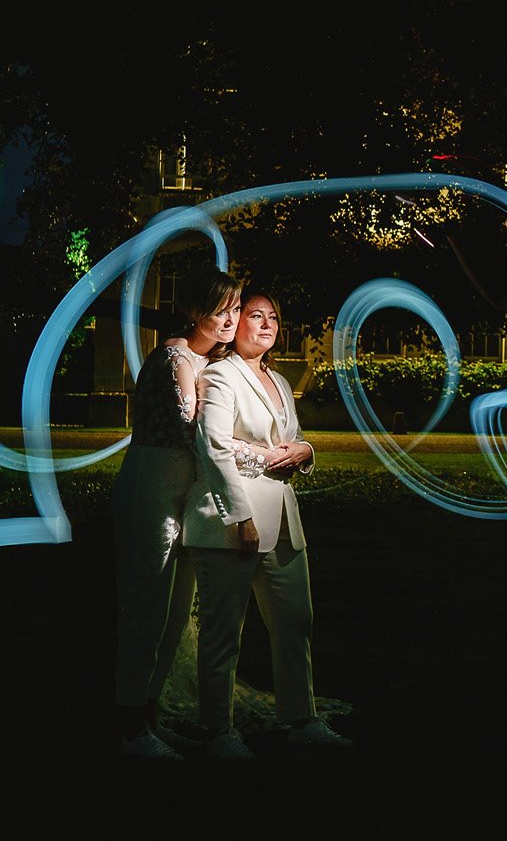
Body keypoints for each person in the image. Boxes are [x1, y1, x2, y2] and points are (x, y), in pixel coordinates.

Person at [183, 289, 350, 759]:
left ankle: (302, 721)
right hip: (230, 521)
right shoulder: (220, 375)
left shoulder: (277, 379)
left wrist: (307, 451)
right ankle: (219, 732)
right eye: (254, 316)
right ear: (234, 325)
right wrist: (239, 516)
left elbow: (289, 439)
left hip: (284, 521)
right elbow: (213, 445)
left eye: (273, 317)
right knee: (223, 632)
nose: (266, 324)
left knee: (296, 622)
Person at [111, 265, 243, 760]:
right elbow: (200, 437)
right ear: (195, 309)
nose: (231, 318)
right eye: (222, 308)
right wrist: (267, 457)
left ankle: (149, 716)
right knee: (146, 607)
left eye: (235, 308)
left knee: (175, 615)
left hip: (184, 495)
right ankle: (129, 728)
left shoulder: (209, 362)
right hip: (152, 489)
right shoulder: (174, 359)